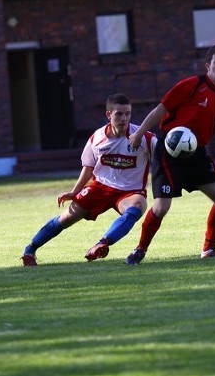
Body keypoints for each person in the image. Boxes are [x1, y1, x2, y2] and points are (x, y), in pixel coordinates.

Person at [126, 44, 215, 265]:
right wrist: (139, 134)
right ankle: (139, 250)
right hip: (169, 152)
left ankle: (209, 249)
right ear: (208, 65)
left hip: (196, 154)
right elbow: (160, 110)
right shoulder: (191, 85)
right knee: (162, 207)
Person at [20, 93, 156, 267]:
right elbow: (88, 167)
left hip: (130, 191)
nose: (124, 119)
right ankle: (30, 250)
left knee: (137, 206)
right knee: (67, 217)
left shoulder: (143, 136)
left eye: (128, 114)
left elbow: (164, 154)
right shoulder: (98, 137)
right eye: (119, 114)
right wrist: (74, 191)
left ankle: (103, 243)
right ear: (109, 114)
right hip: (100, 187)